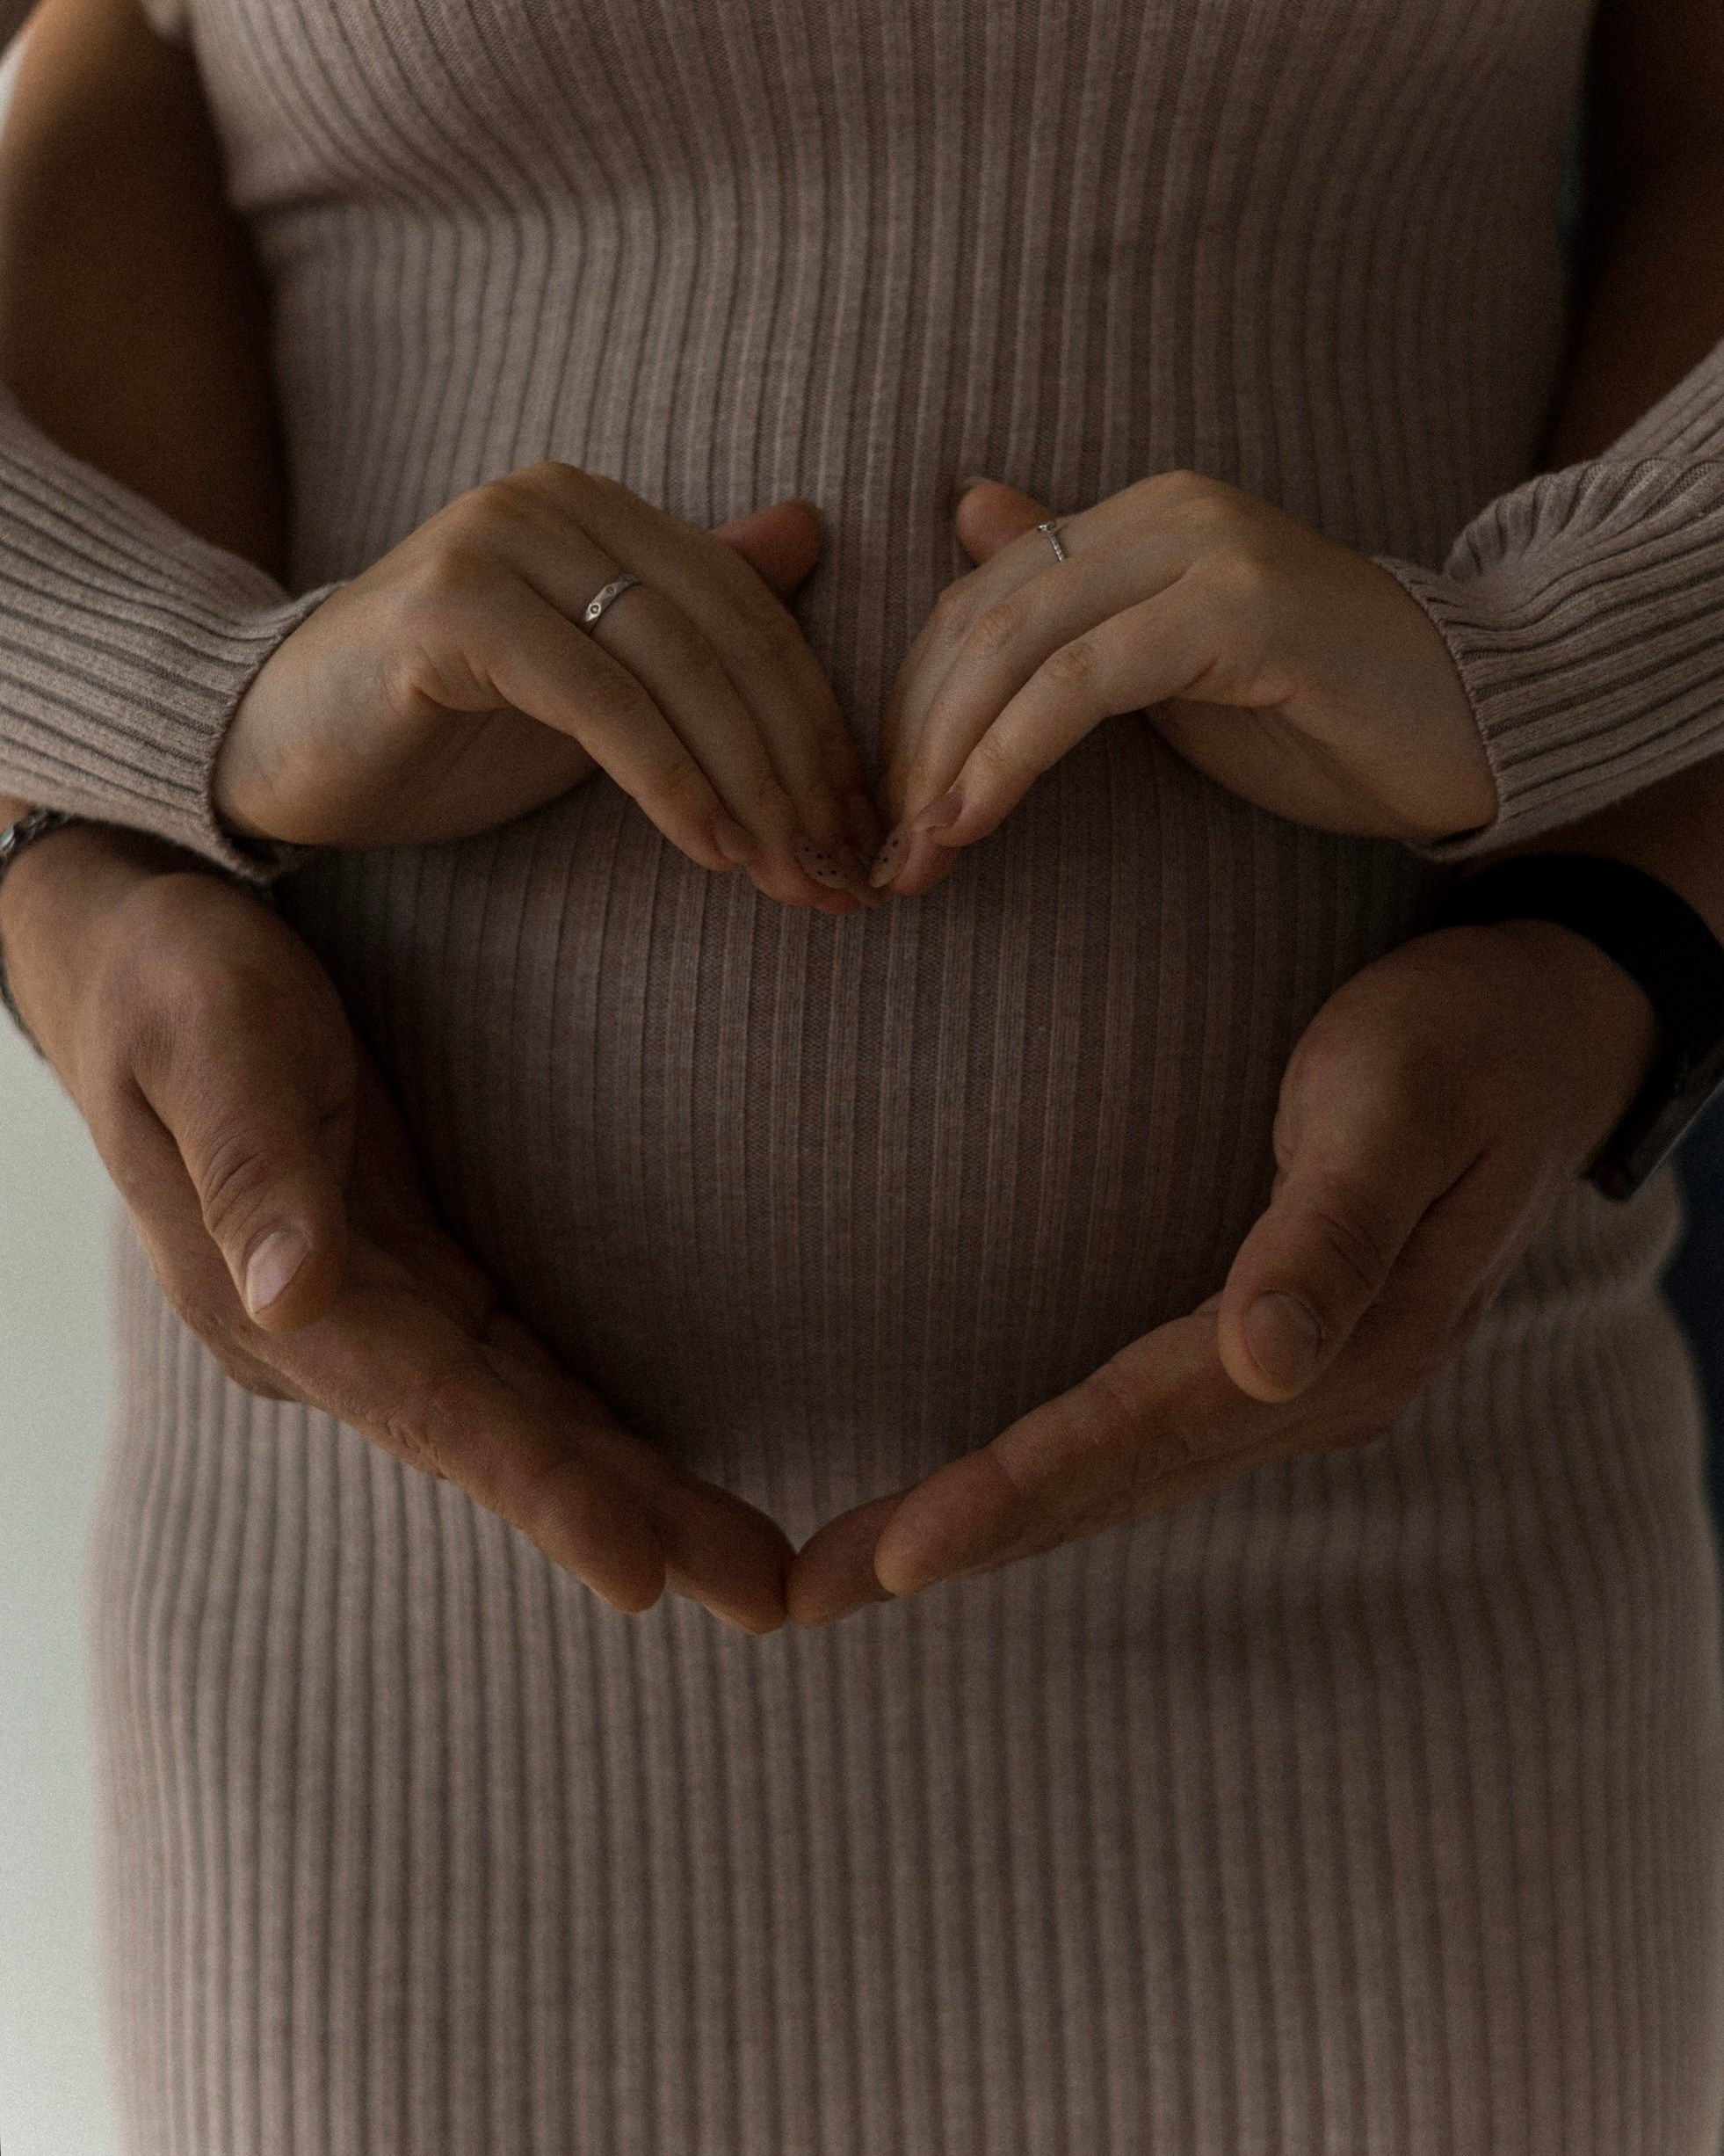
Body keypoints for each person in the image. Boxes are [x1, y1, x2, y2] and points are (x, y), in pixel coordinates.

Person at [1, 0, 1723, 2148]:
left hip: (1408, 1589)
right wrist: (135, 766)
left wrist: (1600, 838)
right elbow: (114, 69)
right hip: (401, 1666)